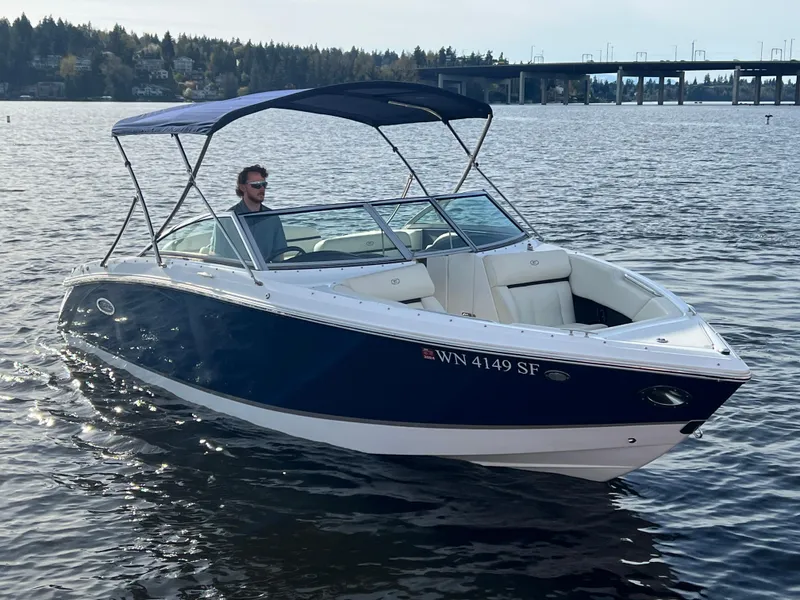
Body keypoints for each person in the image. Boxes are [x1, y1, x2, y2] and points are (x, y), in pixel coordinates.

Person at [228, 164, 288, 261]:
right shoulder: (229, 218)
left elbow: (279, 256)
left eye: (264, 184)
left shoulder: (272, 217)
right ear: (243, 188)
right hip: (238, 271)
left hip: (265, 272)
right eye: (256, 185)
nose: (262, 189)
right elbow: (218, 254)